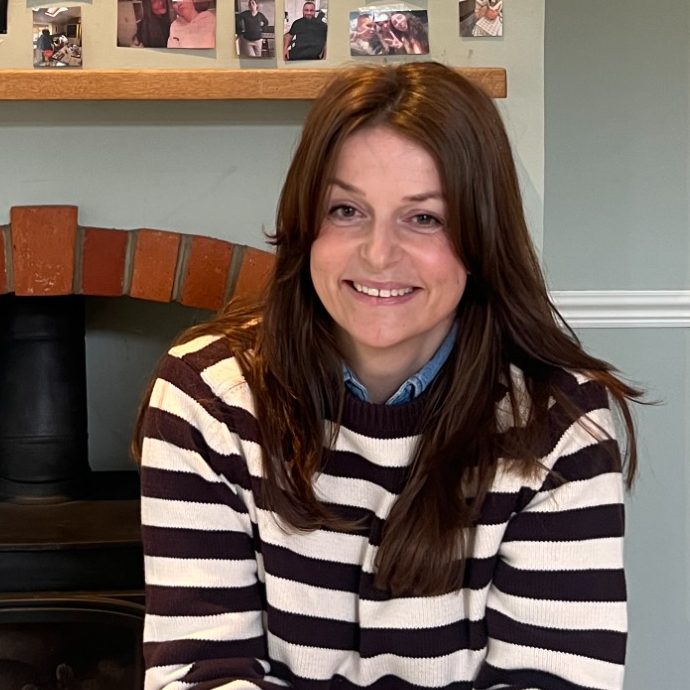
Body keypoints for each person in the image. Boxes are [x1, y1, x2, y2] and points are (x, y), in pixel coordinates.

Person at [135, 62, 641, 689]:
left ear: (481, 237)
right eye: (346, 210)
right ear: (305, 225)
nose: (378, 254)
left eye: (424, 218)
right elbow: (200, 672)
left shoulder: (558, 425)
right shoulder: (207, 396)